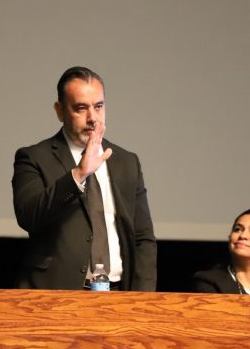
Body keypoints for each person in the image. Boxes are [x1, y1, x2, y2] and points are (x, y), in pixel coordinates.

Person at [12, 66, 157, 291]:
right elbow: (28, 217)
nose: (92, 118)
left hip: (119, 293)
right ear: (60, 111)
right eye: (81, 108)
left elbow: (143, 237)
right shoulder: (33, 157)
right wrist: (78, 174)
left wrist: (143, 297)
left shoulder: (126, 161)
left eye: (98, 106)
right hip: (56, 294)